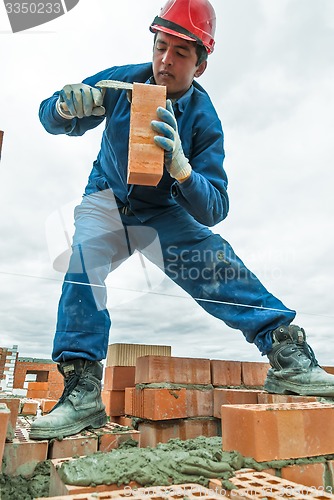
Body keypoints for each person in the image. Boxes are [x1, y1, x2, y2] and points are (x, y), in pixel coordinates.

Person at [30, 0, 334, 440]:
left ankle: (289, 357)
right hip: (107, 196)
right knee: (84, 263)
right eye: (160, 46)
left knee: (214, 262)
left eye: (180, 53)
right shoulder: (122, 82)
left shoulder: (204, 118)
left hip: (161, 210)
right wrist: (64, 107)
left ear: (201, 65)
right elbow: (50, 118)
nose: (164, 61)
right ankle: (81, 393)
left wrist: (184, 171)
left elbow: (215, 206)